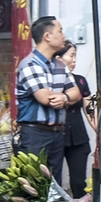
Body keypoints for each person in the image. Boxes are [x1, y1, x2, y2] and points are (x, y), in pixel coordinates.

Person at [15, 15, 79, 183]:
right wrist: (66, 98)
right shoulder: (29, 64)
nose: (63, 35)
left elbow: (76, 92)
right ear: (47, 36)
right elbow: (45, 98)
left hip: (57, 133)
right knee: (33, 187)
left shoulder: (59, 65)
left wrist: (64, 97)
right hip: (35, 134)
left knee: (54, 186)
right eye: (60, 31)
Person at [55, 44, 98, 199]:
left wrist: (100, 132)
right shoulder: (51, 82)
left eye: (75, 56)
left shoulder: (80, 81)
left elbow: (89, 108)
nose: (74, 60)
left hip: (78, 138)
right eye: (71, 55)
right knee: (54, 181)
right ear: (58, 58)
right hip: (56, 138)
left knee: (78, 182)